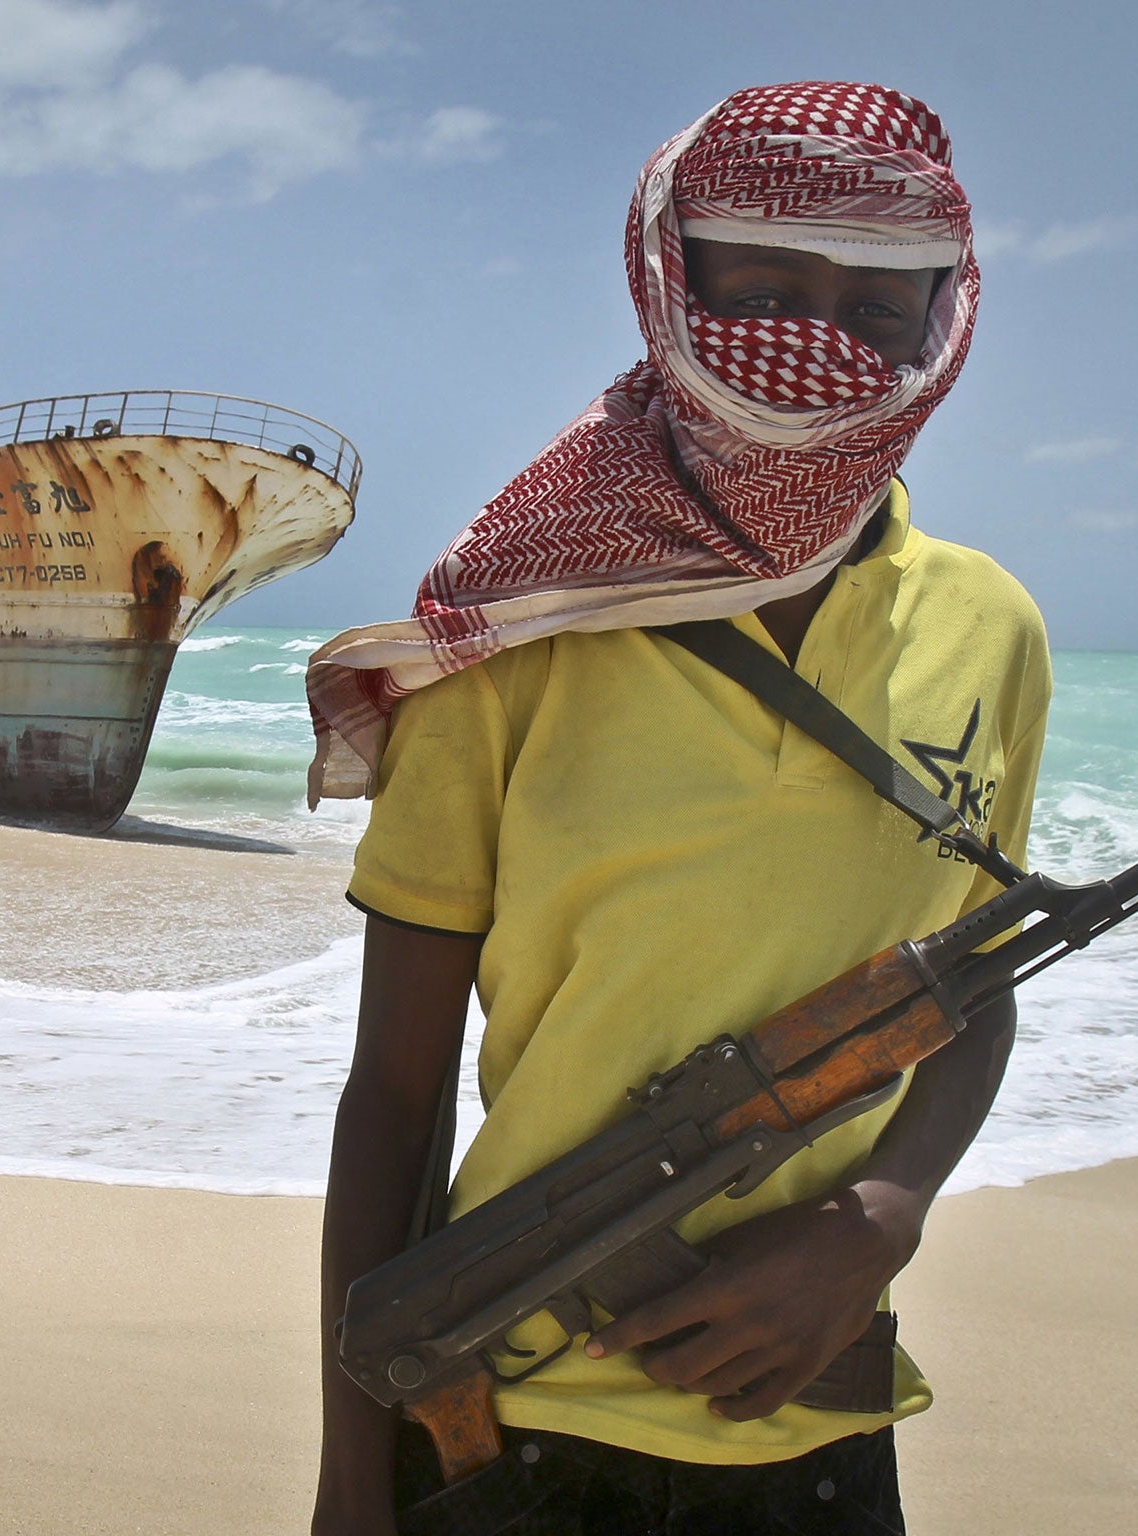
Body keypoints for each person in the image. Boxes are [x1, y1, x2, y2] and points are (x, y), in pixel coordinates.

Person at [303, 82, 1052, 1535]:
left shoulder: (991, 630)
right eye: (764, 288)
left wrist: (880, 1219)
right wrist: (349, 1491)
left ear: (938, 331)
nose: (815, 344)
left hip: (817, 1427)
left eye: (875, 312)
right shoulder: (513, 635)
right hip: (503, 1431)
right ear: (670, 286)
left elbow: (976, 978)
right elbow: (393, 1100)